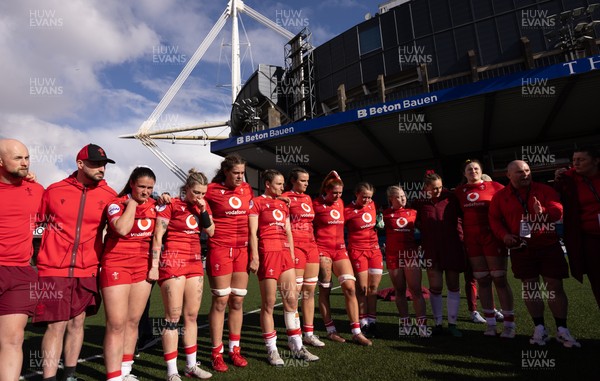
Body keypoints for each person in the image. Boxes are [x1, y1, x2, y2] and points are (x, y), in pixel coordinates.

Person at [34, 144, 117, 381]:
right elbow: (34, 223)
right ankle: (49, 377)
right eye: (95, 164)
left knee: (77, 322)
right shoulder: (53, 190)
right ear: (80, 164)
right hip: (53, 268)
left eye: (104, 164)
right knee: (56, 325)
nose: (101, 168)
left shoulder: (110, 195)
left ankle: (70, 374)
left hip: (88, 269)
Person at [489, 160, 580, 347]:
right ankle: (540, 327)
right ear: (508, 175)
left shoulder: (543, 189)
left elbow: (558, 209)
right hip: (521, 247)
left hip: (548, 244)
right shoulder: (500, 197)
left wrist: (543, 212)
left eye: (527, 171)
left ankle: (562, 329)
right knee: (530, 288)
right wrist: (504, 235)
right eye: (520, 172)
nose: (525, 174)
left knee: (554, 286)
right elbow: (494, 219)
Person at [248, 170, 318, 366]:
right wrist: (254, 256)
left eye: (282, 184)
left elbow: (288, 230)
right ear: (268, 184)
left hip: (286, 254)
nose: (282, 187)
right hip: (267, 253)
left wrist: (293, 254)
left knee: (291, 301)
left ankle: (296, 345)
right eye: (278, 184)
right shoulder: (257, 202)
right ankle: (272, 350)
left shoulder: (283, 203)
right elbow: (252, 232)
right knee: (269, 304)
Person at [152, 169, 214, 380]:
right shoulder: (171, 205)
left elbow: (211, 231)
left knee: (191, 316)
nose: (199, 197)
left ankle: (190, 366)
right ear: (186, 188)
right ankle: (172, 372)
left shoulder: (202, 207)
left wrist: (203, 208)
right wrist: (154, 265)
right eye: (196, 192)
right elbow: (158, 236)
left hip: (195, 263)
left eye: (203, 193)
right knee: (172, 318)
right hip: (173, 262)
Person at [100, 166, 158, 381]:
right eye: (141, 186)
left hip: (141, 268)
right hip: (116, 265)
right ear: (131, 184)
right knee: (116, 324)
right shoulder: (116, 204)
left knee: (133, 322)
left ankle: (125, 371)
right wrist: (132, 205)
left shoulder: (155, 205)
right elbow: (122, 229)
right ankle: (113, 376)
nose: (145, 192)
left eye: (150, 188)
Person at [0, 139, 44, 381]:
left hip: (21, 273)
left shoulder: (36, 190)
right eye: (18, 158)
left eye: (27, 157)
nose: (25, 163)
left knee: (14, 338)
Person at [203, 154, 252, 372]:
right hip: (220, 249)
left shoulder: (247, 189)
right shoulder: (211, 189)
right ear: (226, 172)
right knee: (221, 300)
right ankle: (216, 353)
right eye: (236, 173)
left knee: (237, 301)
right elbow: (191, 198)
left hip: (242, 250)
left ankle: (235, 350)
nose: (240, 176)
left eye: (242, 172)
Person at [455, 160, 515, 338]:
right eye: (469, 169)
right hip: (472, 241)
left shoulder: (495, 186)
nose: (473, 171)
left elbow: (513, 201)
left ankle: (509, 325)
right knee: (482, 280)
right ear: (464, 173)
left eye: (476, 168)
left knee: (500, 279)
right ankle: (490, 324)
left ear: (481, 171)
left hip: (493, 238)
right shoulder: (459, 192)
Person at [313, 171, 372, 346]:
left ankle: (356, 332)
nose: (337, 196)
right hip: (322, 250)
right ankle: (331, 330)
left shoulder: (340, 204)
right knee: (325, 290)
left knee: (350, 288)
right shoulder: (316, 204)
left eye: (340, 193)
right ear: (326, 190)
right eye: (334, 193)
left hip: (340, 250)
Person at [414, 171, 465, 337]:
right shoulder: (419, 202)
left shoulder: (451, 197)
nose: (438, 191)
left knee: (453, 284)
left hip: (452, 247)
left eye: (440, 187)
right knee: (435, 287)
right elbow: (413, 222)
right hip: (430, 249)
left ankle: (452, 324)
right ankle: (437, 323)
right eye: (434, 188)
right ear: (426, 188)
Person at [282, 168, 324, 347]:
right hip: (296, 246)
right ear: (293, 181)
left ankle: (309, 333)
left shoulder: (307, 198)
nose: (306, 184)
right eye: (303, 181)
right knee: (294, 294)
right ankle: (295, 335)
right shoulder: (284, 197)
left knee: (309, 291)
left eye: (307, 181)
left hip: (311, 246)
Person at [555, 147, 600, 309]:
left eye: (581, 159)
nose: (576, 163)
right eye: (574, 160)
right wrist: (558, 178)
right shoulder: (569, 178)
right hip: (590, 238)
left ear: (596, 161)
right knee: (597, 279)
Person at [381, 185, 427, 336]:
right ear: (390, 199)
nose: (402, 199)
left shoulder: (414, 212)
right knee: (399, 291)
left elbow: (423, 230)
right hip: (393, 257)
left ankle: (422, 325)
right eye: (398, 197)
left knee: (416, 290)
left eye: (403, 196)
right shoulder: (385, 215)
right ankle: (405, 322)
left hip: (410, 255)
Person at [344, 182, 383, 337]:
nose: (367, 200)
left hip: (375, 251)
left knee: (373, 288)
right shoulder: (347, 210)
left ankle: (372, 321)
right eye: (364, 197)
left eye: (369, 197)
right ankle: (363, 322)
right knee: (362, 288)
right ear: (356, 194)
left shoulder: (373, 204)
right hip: (357, 251)